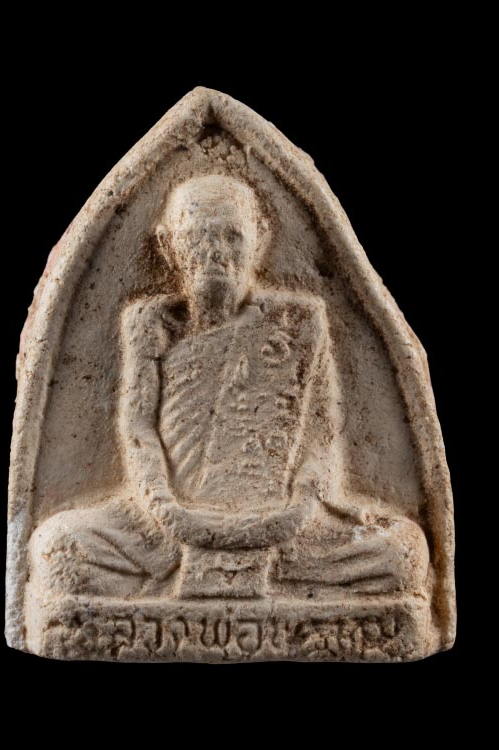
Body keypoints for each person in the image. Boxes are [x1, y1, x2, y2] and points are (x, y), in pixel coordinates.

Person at [29, 174, 429, 600]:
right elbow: (139, 430)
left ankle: (233, 584)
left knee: (402, 553)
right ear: (168, 245)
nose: (214, 253)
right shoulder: (151, 323)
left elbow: (321, 437)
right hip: (163, 530)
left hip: (284, 529)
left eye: (230, 237)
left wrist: (298, 510)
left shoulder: (298, 323)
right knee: (58, 548)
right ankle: (192, 581)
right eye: (197, 239)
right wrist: (165, 508)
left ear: (259, 239)